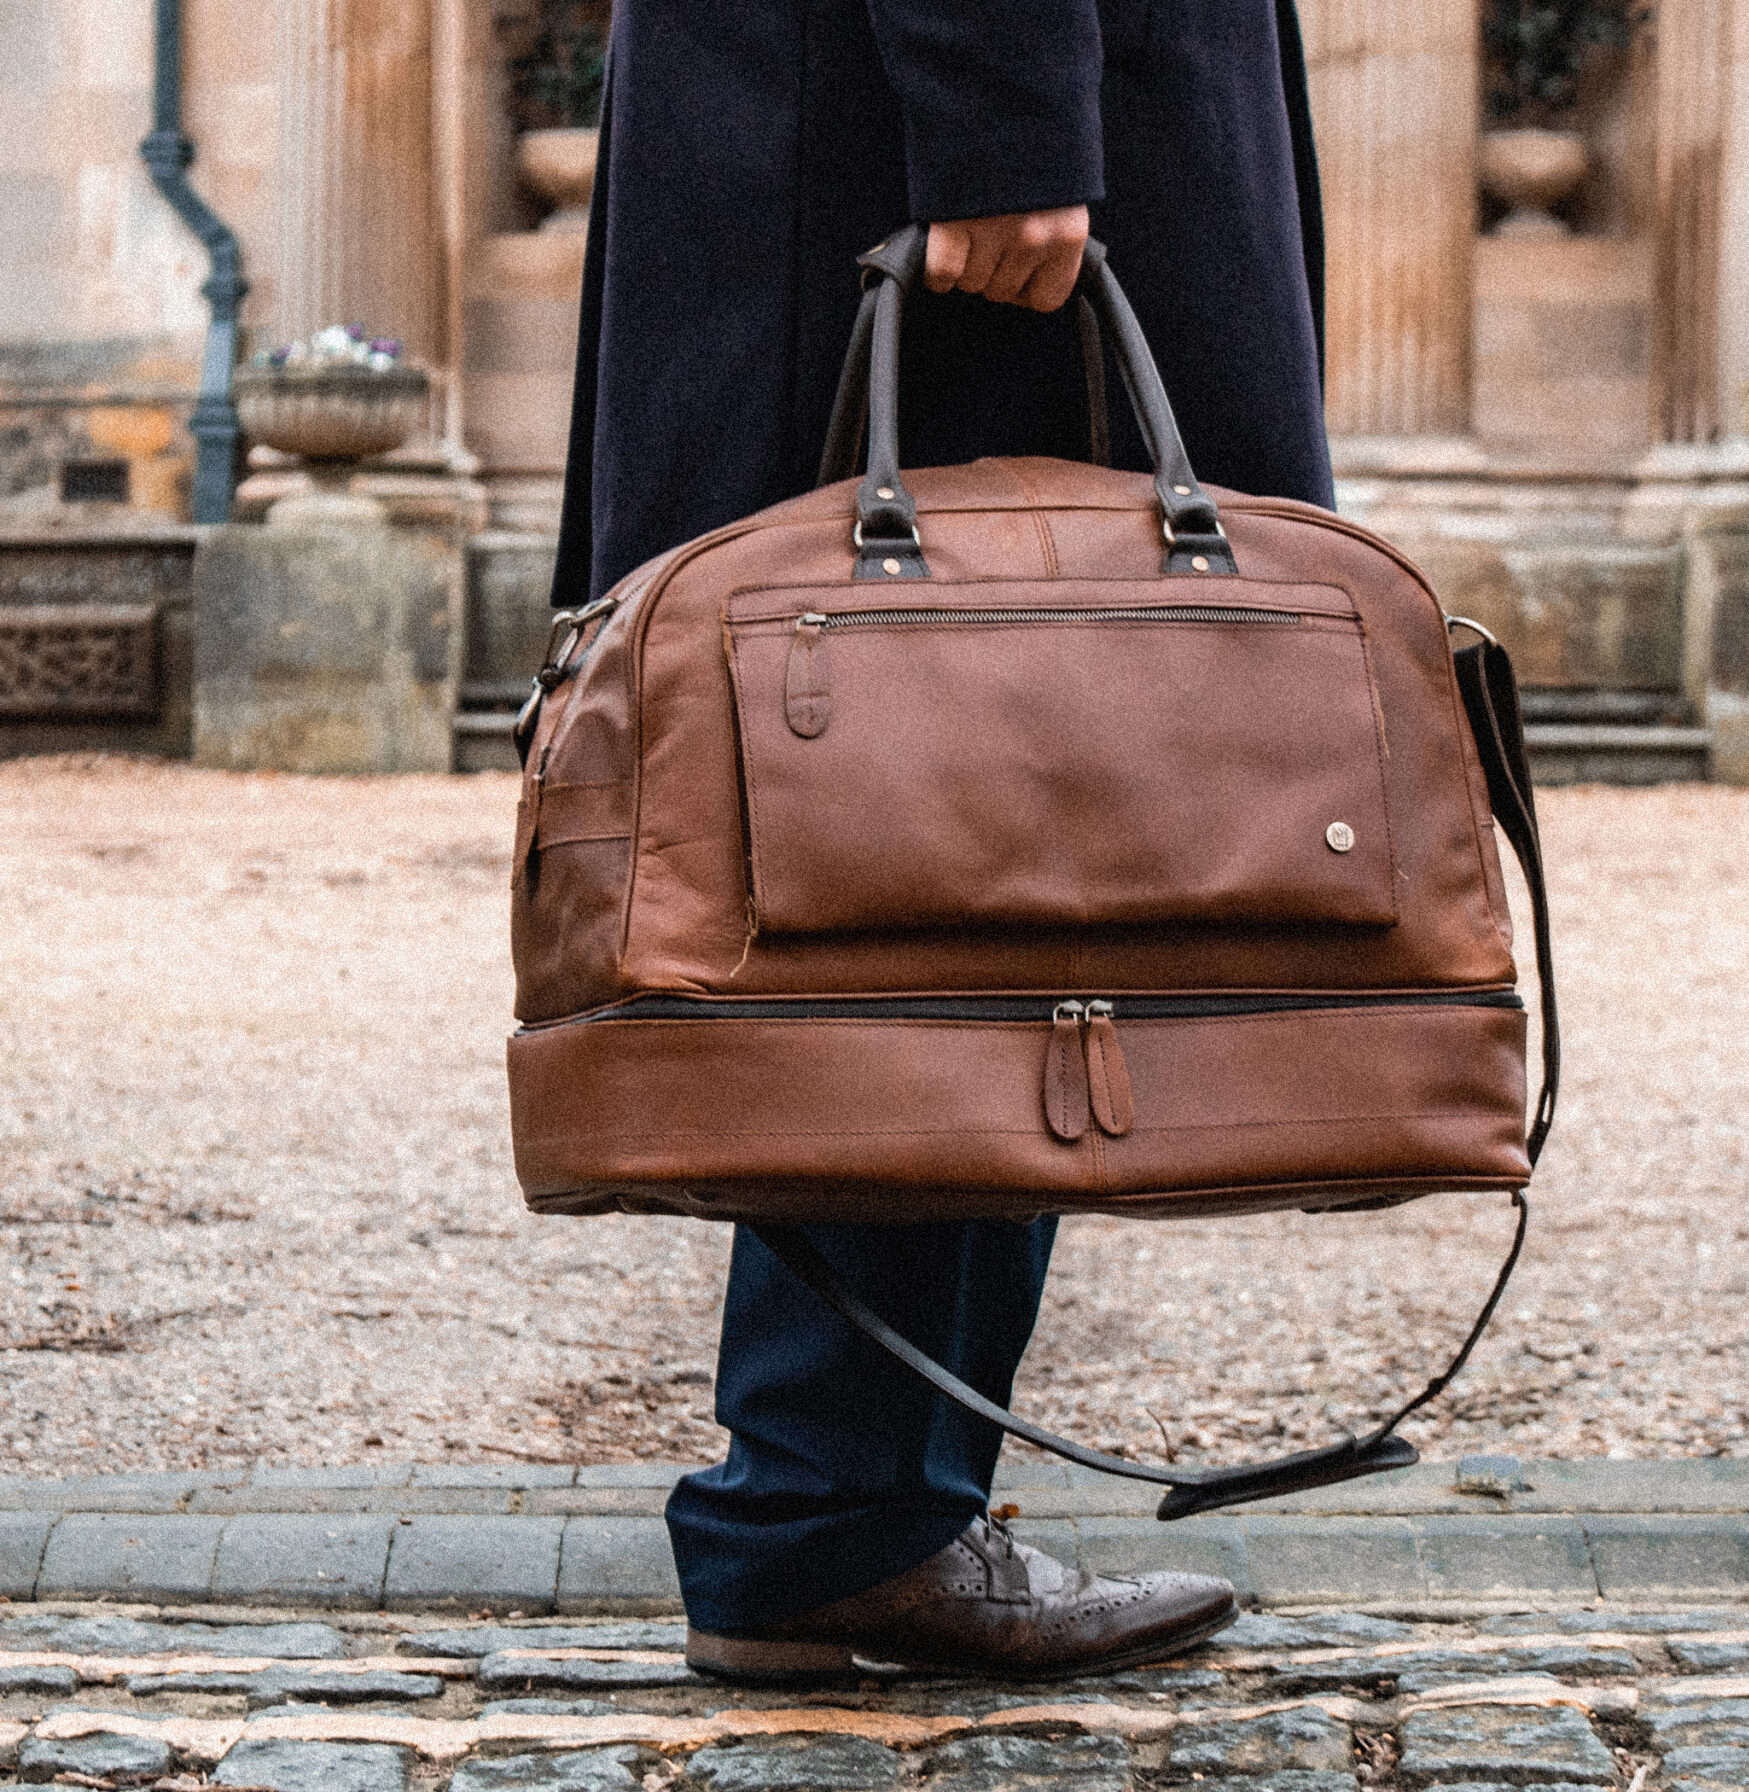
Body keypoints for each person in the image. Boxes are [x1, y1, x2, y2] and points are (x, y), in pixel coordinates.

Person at [549, 0, 1336, 1682]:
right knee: (963, 813)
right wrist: (1007, 121)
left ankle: (843, 1501)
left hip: (907, 108)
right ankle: (840, 1511)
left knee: (940, 808)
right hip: (940, 131)